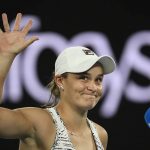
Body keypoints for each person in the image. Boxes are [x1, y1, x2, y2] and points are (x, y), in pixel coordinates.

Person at [0, 13, 116, 150]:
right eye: (83, 77)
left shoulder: (101, 135)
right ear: (60, 81)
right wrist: (5, 57)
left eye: (98, 80)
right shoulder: (40, 122)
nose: (93, 87)